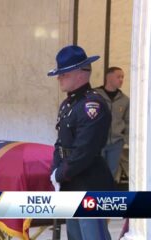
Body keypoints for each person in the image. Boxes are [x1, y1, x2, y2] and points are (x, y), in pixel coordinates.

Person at [48, 45, 115, 240]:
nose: (59, 78)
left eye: (63, 74)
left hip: (90, 183)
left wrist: (60, 174)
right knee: (75, 236)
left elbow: (84, 152)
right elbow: (61, 143)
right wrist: (55, 170)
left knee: (93, 236)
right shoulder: (68, 104)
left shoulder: (92, 107)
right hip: (72, 182)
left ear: (80, 74)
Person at [94, 67, 130, 179]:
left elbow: (128, 121)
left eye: (122, 77)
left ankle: (109, 195)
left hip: (116, 144)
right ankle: (97, 196)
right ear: (108, 77)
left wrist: (125, 139)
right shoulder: (94, 95)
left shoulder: (125, 100)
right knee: (97, 172)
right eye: (118, 76)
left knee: (112, 174)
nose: (121, 80)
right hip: (97, 143)